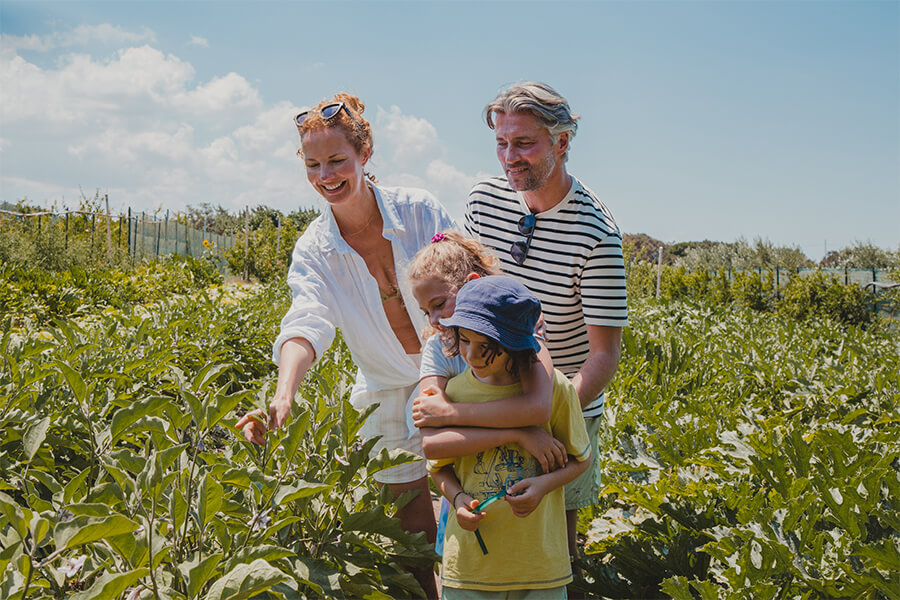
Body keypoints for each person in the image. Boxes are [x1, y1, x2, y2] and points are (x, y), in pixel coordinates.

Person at [235, 92, 454, 599]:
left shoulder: (420, 210)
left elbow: (468, 280)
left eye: (337, 161)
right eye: (313, 165)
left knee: (471, 499)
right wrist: (284, 394)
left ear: (364, 154)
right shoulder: (315, 246)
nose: (325, 175)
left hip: (455, 375)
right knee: (411, 529)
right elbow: (306, 320)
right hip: (384, 385)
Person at [418, 81, 628, 565]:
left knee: (551, 543)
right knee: (473, 528)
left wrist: (545, 414)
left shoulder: (597, 235)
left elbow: (603, 355)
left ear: (563, 142)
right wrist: (496, 414)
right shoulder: (484, 198)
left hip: (559, 404)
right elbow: (459, 292)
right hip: (477, 396)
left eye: (524, 143)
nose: (510, 157)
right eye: (501, 143)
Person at [425, 275, 591, 598]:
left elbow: (580, 459)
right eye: (464, 340)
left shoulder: (557, 388)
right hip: (471, 569)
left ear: (513, 344)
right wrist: (458, 500)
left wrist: (544, 485)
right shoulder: (454, 394)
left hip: (539, 567)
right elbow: (437, 467)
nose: (471, 355)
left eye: (485, 347)